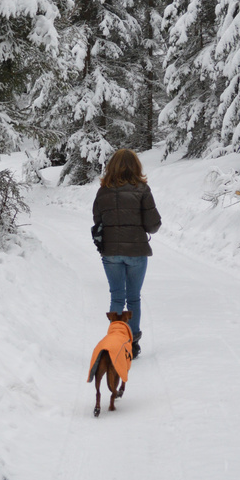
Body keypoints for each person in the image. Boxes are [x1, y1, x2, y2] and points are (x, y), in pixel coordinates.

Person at [92, 148, 161, 359]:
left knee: (116, 296)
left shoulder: (103, 191)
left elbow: (97, 221)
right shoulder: (142, 189)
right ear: (136, 167)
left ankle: (114, 339)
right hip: (136, 251)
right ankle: (133, 342)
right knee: (133, 299)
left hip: (110, 252)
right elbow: (153, 225)